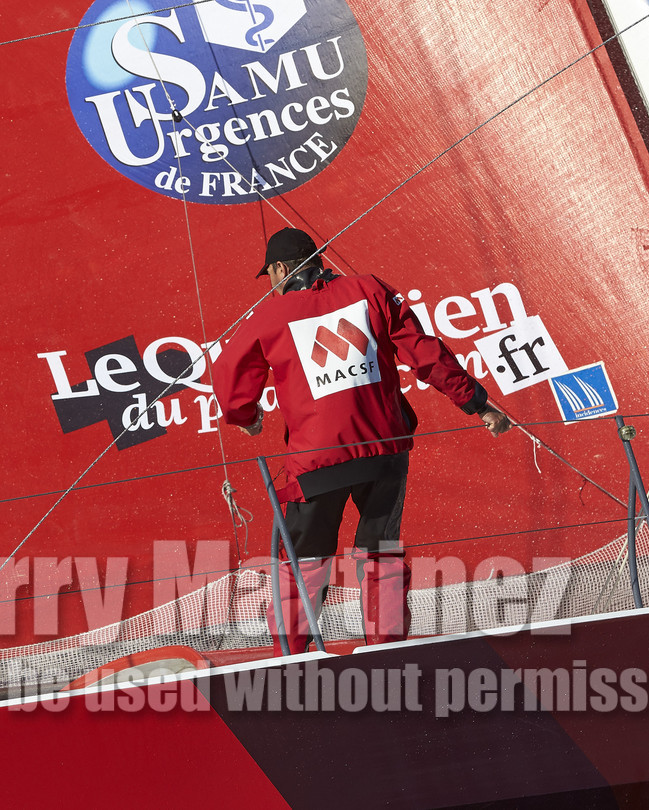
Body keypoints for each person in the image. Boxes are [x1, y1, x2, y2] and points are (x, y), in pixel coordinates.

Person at [211, 228, 511, 652]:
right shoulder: (369, 289)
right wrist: (477, 404)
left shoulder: (270, 315)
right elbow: (424, 351)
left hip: (316, 463)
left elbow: (228, 375)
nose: (272, 285)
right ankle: (387, 654)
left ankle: (288, 662)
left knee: (303, 565)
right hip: (384, 453)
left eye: (271, 276)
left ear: (280, 269)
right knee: (381, 557)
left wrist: (247, 416)